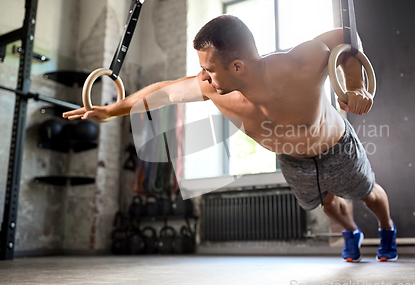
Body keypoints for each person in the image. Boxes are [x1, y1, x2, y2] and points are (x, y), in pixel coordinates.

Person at [63, 15, 397, 262]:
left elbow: (347, 36)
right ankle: (352, 232)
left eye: (209, 69)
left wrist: (355, 85)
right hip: (293, 161)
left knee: (368, 194)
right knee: (328, 204)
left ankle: (386, 229)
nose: (203, 77)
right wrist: (111, 110)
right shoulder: (213, 88)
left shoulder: (301, 64)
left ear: (236, 65)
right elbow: (162, 93)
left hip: (336, 146)